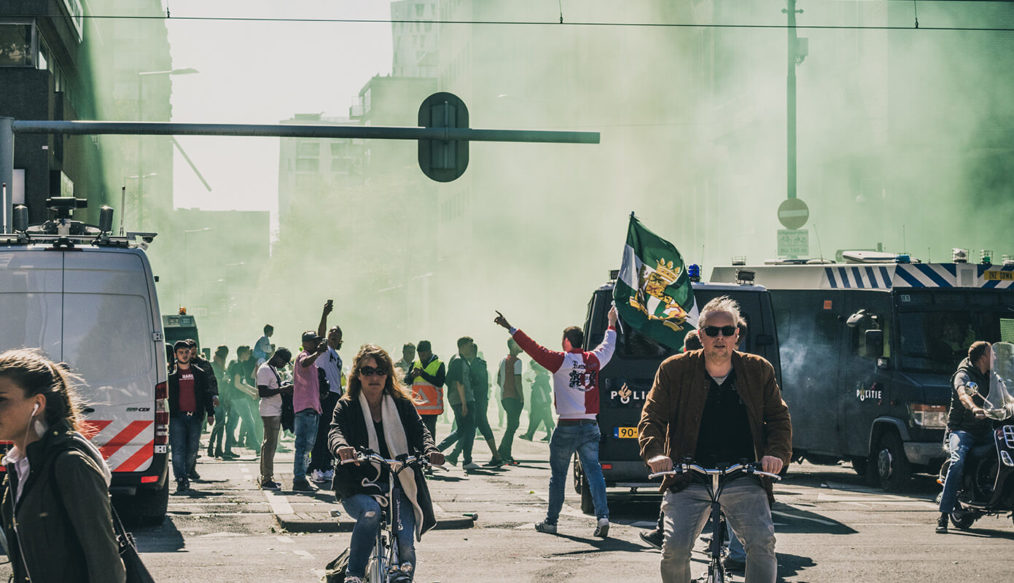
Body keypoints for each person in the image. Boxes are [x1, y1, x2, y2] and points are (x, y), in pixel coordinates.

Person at [638, 296, 792, 583]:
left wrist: (776, 455)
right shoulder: (674, 369)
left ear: (737, 334)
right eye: (711, 331)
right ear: (701, 335)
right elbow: (652, 417)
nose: (719, 337)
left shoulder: (759, 369)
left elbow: (779, 418)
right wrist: (655, 454)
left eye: (726, 330)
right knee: (674, 550)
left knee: (762, 546)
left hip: (744, 475)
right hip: (688, 474)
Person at [0, 349, 126, 583]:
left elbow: (106, 564)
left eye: (2, 400)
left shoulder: (70, 464)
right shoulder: (19, 467)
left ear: (37, 404)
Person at [494, 307, 618, 538]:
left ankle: (551, 521)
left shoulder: (559, 361)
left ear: (567, 342)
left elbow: (532, 348)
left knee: (558, 476)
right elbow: (608, 345)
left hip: (567, 427)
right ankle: (603, 517)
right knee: (594, 473)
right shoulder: (594, 359)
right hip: (590, 426)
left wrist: (510, 327)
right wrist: (611, 322)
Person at [329, 344, 444, 583]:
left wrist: (431, 450)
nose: (374, 376)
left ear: (388, 375)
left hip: (398, 483)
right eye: (367, 370)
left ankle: (402, 574)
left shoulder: (402, 405)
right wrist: (341, 448)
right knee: (370, 514)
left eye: (380, 371)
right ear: (358, 374)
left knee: (404, 540)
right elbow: (335, 432)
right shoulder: (346, 405)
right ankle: (354, 575)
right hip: (357, 485)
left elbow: (420, 432)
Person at [937, 340, 994, 534]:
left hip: (986, 430)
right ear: (983, 358)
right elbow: (963, 395)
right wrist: (974, 407)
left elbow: (1006, 395)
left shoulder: (992, 375)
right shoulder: (963, 375)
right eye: (992, 353)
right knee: (958, 461)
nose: (995, 356)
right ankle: (944, 515)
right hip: (961, 430)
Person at [168, 339, 216, 494]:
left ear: (191, 353)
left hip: (195, 416)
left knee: (193, 449)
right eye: (181, 352)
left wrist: (210, 413)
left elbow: (206, 393)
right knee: (178, 449)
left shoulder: (199, 373)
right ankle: (181, 479)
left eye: (186, 352)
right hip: (177, 417)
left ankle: (187, 471)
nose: (184, 355)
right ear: (175, 354)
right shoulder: (170, 375)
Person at [445, 343, 504, 468]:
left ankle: (495, 457)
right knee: (469, 430)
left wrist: (469, 402)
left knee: (471, 429)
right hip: (477, 402)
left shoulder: (476, 366)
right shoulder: (477, 364)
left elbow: (475, 385)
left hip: (477, 402)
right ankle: (458, 456)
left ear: (472, 351)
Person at [309, 301, 345, 484]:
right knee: (321, 432)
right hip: (324, 395)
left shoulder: (337, 357)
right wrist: (325, 314)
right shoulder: (324, 350)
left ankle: (327, 466)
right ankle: (315, 467)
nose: (333, 334)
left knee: (331, 433)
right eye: (332, 331)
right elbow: (320, 334)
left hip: (335, 396)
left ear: (341, 339)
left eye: (337, 333)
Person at [292, 330, 329, 491]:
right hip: (305, 408)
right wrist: (319, 352)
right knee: (303, 446)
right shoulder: (304, 356)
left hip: (312, 407)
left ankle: (300, 478)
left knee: (307, 446)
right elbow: (304, 362)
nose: (316, 344)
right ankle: (299, 479)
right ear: (306, 343)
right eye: (314, 342)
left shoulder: (312, 359)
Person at [437, 337, 477, 469]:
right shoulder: (458, 361)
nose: (472, 348)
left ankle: (465, 459)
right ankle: (436, 452)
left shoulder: (461, 359)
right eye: (470, 345)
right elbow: (458, 383)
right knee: (463, 430)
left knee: (466, 430)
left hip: (463, 399)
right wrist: (464, 403)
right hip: (461, 400)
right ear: (463, 346)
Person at [257, 347, 293, 490]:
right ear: (277, 357)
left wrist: (281, 386)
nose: (284, 365)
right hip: (269, 411)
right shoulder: (265, 370)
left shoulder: (271, 369)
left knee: (269, 444)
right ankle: (267, 478)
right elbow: (262, 392)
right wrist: (281, 390)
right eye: (284, 362)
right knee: (270, 445)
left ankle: (266, 476)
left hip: (274, 410)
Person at [185, 339, 220, 481]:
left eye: (193, 352)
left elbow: (211, 382)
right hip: (182, 407)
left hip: (198, 406)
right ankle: (183, 470)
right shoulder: (180, 364)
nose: (191, 355)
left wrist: (214, 396)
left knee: (193, 440)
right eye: (189, 352)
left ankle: (191, 468)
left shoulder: (204, 364)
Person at [405, 340, 445, 442]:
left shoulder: (439, 364)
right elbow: (407, 381)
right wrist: (412, 375)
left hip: (432, 409)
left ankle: (431, 456)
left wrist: (423, 374)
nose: (421, 356)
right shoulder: (415, 364)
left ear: (429, 351)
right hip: (417, 407)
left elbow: (439, 382)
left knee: (430, 436)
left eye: (423, 353)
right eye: (419, 354)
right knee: (417, 435)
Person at [497, 339, 525, 465]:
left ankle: (504, 453)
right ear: (514, 346)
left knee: (511, 426)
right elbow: (517, 381)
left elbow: (498, 379)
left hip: (504, 396)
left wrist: (504, 389)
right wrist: (522, 396)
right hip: (513, 397)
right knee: (512, 426)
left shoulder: (503, 360)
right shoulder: (517, 362)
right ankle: (502, 453)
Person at [519, 361, 554, 442]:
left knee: (537, 419)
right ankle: (549, 436)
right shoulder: (542, 378)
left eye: (535, 370)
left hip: (540, 403)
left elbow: (542, 391)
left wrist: (544, 403)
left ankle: (530, 435)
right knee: (546, 420)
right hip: (541, 403)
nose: (534, 372)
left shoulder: (541, 378)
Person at [208, 345, 230, 459]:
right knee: (220, 423)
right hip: (216, 397)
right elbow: (213, 381)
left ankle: (217, 448)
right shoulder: (214, 366)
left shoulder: (218, 365)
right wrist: (224, 380)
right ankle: (212, 446)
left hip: (220, 397)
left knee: (220, 424)